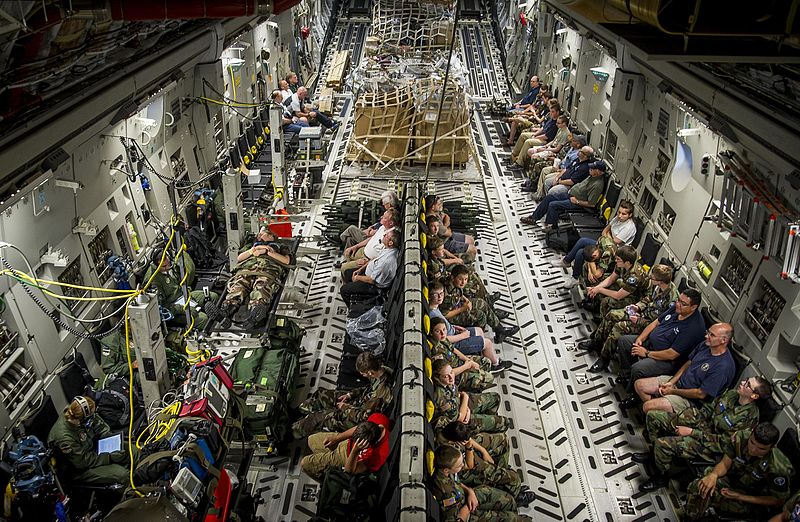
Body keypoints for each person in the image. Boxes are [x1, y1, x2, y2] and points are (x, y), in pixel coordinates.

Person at [637, 376, 771, 492]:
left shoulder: (749, 418)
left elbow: (724, 443)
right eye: (746, 380)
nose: (742, 383)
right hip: (702, 426)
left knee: (663, 444)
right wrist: (690, 419)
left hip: (712, 447)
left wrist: (692, 432)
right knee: (653, 416)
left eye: (748, 385)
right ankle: (655, 455)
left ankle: (661, 476)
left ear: (754, 396)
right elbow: (709, 408)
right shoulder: (732, 394)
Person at [614, 289, 706, 407]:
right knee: (624, 341)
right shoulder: (677, 309)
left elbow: (672, 354)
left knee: (638, 368)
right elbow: (655, 323)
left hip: (667, 360)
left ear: (693, 307)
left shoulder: (693, 328)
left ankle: (633, 396)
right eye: (678, 300)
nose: (678, 304)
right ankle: (627, 376)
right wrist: (640, 339)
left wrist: (646, 353)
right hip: (650, 345)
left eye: (683, 304)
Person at [684, 423, 794, 520]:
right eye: (752, 442)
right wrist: (714, 475)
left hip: (752, 500)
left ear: (772, 447)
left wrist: (739, 496)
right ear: (751, 434)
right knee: (700, 486)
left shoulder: (778, 468)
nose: (753, 449)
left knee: (707, 494)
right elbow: (725, 464)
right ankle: (691, 517)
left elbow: (777, 501)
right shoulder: (741, 438)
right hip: (734, 481)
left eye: (761, 449)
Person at [587, 264, 677, 373]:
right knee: (612, 315)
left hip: (647, 325)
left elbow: (661, 322)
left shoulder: (672, 299)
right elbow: (649, 298)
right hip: (642, 313)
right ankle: (597, 342)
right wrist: (638, 306)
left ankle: (604, 359)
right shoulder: (657, 286)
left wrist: (640, 321)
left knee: (618, 327)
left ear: (660, 281)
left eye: (652, 278)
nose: (650, 279)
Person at [633, 322, 737, 414]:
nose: (706, 336)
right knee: (639, 385)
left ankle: (657, 413)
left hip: (692, 400)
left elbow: (700, 394)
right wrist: (672, 382)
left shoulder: (723, 367)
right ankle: (655, 414)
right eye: (708, 332)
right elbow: (689, 363)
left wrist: (672, 392)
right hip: (679, 384)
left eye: (712, 335)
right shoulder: (706, 345)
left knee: (648, 406)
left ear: (724, 340)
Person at [293, 353, 393, 438]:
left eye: (363, 374)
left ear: (370, 372)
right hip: (360, 402)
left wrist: (345, 408)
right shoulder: (379, 371)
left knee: (318, 418)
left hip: (357, 420)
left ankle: (292, 431)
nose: (362, 375)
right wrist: (349, 395)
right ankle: (299, 411)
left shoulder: (381, 393)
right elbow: (367, 389)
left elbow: (365, 417)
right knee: (322, 395)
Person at [439, 422, 536, 508]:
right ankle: (514, 497)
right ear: (453, 442)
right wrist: (469, 447)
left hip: (465, 455)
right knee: (514, 478)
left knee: (503, 440)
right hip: (463, 469)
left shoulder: (445, 428)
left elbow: (468, 439)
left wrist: (484, 451)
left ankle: (504, 483)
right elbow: (469, 465)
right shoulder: (448, 454)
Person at [429, 281, 511, 373]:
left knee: (479, 331)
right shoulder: (433, 315)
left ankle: (481, 352)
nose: (440, 297)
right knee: (487, 343)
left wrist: (455, 327)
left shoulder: (435, 307)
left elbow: (444, 325)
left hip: (454, 332)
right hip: (454, 343)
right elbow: (443, 339)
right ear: (430, 296)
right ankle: (495, 365)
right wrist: (463, 336)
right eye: (436, 294)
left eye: (441, 293)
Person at [48, 396, 130, 485]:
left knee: (130, 450)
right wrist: (109, 457)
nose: (93, 416)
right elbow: (82, 462)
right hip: (80, 469)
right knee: (122, 475)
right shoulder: (65, 438)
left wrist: (107, 437)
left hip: (94, 449)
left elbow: (101, 427)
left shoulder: (79, 414)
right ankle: (132, 493)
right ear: (81, 421)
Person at [555, 200, 636, 289]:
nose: (620, 215)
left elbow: (615, 242)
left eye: (624, 214)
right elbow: (604, 231)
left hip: (614, 252)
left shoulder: (629, 227)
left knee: (581, 252)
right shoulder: (617, 219)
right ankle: (568, 264)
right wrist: (607, 237)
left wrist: (607, 237)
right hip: (605, 244)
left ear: (630, 215)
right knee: (582, 241)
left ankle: (574, 275)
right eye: (619, 212)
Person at [221, 227, 292, 328]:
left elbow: (287, 261)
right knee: (239, 285)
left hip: (267, 270)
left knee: (262, 287)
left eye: (261, 234)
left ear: (270, 236)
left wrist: (267, 252)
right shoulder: (251, 245)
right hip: (247, 269)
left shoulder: (280, 247)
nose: (258, 236)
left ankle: (256, 311)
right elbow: (239, 258)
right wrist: (252, 250)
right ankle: (227, 308)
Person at [300, 412, 391, 482]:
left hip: (348, 458)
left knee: (305, 463)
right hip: (345, 443)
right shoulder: (378, 419)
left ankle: (329, 483)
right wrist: (337, 439)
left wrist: (355, 451)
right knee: (311, 440)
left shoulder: (379, 455)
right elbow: (357, 428)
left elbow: (349, 472)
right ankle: (323, 465)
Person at [520, 160, 606, 232]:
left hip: (577, 203)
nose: (590, 169)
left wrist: (577, 201)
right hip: (571, 195)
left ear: (599, 172)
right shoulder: (591, 176)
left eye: (593, 168)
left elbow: (592, 204)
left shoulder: (597, 185)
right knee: (549, 197)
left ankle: (552, 227)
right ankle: (534, 218)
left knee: (553, 205)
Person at [441, 265, 519, 343]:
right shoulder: (449, 295)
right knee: (481, 316)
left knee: (481, 303)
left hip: (457, 306)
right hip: (452, 317)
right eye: (460, 279)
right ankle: (477, 340)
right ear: (453, 277)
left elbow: (458, 293)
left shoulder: (452, 282)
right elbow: (445, 315)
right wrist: (462, 309)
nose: (463, 282)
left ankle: (499, 330)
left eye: (465, 279)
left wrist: (465, 299)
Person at [147, 248, 218, 332]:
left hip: (183, 295)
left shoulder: (171, 267)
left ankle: (215, 317)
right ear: (157, 266)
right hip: (174, 310)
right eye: (164, 266)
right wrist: (183, 308)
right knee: (203, 319)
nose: (167, 267)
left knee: (213, 297)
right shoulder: (153, 281)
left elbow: (181, 281)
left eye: (168, 263)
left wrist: (187, 291)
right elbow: (163, 308)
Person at [432, 359, 508, 433]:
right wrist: (466, 398)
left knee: (495, 398)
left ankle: (486, 421)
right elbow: (460, 418)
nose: (451, 378)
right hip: (458, 424)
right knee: (503, 422)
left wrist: (467, 408)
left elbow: (456, 394)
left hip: (461, 405)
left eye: (451, 372)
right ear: (437, 378)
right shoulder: (442, 398)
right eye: (446, 376)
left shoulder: (446, 384)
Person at [584, 244, 650, 318]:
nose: (616, 260)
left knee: (606, 301)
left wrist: (599, 289)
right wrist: (595, 288)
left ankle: (603, 321)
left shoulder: (634, 277)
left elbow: (618, 296)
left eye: (618, 259)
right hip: (627, 288)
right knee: (602, 285)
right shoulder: (621, 264)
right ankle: (597, 307)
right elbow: (611, 279)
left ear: (627, 263)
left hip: (637, 296)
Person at [340, 229, 400, 307]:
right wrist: (360, 270)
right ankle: (354, 293)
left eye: (386, 236)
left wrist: (357, 277)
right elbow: (374, 259)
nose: (384, 235)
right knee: (348, 273)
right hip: (369, 272)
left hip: (373, 286)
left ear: (390, 242)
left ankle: (353, 308)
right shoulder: (388, 249)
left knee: (344, 290)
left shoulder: (386, 261)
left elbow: (372, 280)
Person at [340, 208, 398, 273]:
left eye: (384, 217)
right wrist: (355, 246)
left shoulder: (390, 237)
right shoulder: (383, 227)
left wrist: (367, 263)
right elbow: (372, 238)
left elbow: (382, 257)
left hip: (367, 259)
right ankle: (348, 264)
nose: (381, 217)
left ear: (391, 223)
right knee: (347, 252)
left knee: (344, 269)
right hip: (363, 251)